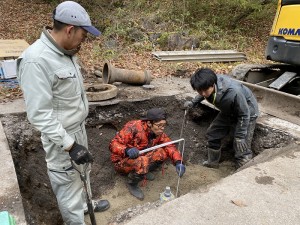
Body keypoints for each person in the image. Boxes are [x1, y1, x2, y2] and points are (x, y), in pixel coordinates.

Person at [16, 1, 109, 224]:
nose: (83, 41)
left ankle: (85, 204)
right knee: (67, 185)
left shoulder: (65, 52)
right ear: (69, 30)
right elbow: (39, 114)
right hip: (61, 139)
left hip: (77, 130)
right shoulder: (36, 60)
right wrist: (69, 145)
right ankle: (75, 218)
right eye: (83, 36)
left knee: (82, 173)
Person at [184, 68, 259, 168]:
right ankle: (212, 162)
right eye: (199, 91)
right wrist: (193, 103)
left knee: (241, 145)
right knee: (212, 133)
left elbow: (244, 114)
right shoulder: (208, 85)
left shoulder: (234, 92)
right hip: (228, 110)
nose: (203, 94)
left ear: (212, 84)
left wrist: (240, 136)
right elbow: (202, 93)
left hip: (248, 112)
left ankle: (243, 170)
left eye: (205, 91)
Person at [109, 108, 186, 200]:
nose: (162, 128)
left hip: (141, 156)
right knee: (143, 161)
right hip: (122, 162)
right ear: (149, 123)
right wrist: (127, 150)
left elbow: (169, 146)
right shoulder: (133, 128)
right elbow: (113, 144)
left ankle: (144, 171)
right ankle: (132, 184)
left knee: (162, 152)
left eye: (164, 125)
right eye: (159, 125)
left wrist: (178, 162)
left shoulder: (158, 132)